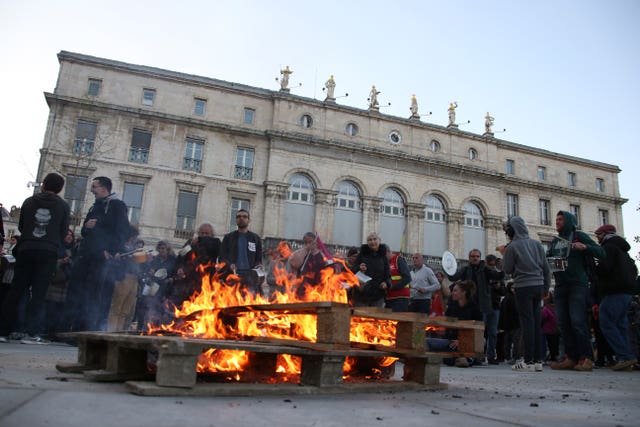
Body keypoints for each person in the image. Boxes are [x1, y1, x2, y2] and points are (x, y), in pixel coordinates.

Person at [0, 173, 70, 343]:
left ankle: (3, 330)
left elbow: (22, 225)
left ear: (44, 185)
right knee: (39, 293)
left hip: (27, 248)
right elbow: (63, 231)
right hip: (48, 252)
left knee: (16, 290)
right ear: (60, 188)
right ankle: (30, 333)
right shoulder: (63, 206)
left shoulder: (29, 202)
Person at [63, 176, 129, 332]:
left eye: (95, 186)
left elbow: (122, 230)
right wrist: (86, 226)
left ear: (104, 188)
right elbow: (86, 231)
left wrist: (111, 251)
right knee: (78, 291)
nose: (92, 190)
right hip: (86, 255)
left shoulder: (116, 206)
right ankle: (72, 326)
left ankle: (88, 328)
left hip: (101, 258)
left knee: (94, 295)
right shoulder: (94, 207)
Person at [547, 210, 604, 372]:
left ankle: (586, 358)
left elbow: (601, 252)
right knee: (563, 323)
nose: (557, 222)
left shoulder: (579, 236)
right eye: (556, 219)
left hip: (578, 284)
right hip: (560, 285)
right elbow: (549, 260)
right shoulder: (555, 241)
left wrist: (585, 247)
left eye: (560, 219)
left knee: (578, 321)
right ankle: (571, 358)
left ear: (569, 221)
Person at [499, 216, 551, 372]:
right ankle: (537, 361)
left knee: (526, 323)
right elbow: (546, 269)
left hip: (523, 287)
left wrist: (504, 254)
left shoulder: (513, 246)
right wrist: (546, 288)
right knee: (536, 323)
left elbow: (507, 270)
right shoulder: (536, 244)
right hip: (539, 285)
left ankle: (527, 361)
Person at [447, 248, 504, 364]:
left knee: (490, 332)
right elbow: (453, 277)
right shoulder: (465, 269)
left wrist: (502, 268)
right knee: (474, 331)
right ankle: (476, 356)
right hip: (470, 305)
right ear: (469, 258)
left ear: (480, 257)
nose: (475, 258)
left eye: (477, 256)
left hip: (484, 305)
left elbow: (498, 276)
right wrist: (448, 267)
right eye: (473, 256)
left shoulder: (485, 270)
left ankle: (490, 356)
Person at [593, 224, 638, 371]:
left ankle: (625, 356)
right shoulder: (623, 251)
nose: (597, 238)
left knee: (606, 322)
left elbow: (604, 268)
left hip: (614, 291)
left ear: (605, 234)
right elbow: (634, 270)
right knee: (620, 325)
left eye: (598, 234)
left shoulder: (608, 247)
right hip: (626, 292)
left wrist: (594, 266)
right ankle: (626, 358)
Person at [426, 280, 483, 367]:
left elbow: (478, 331)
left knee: (482, 341)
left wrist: (462, 341)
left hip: (467, 342)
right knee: (427, 341)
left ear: (464, 292)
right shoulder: (452, 307)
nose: (452, 293)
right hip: (450, 342)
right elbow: (447, 325)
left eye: (455, 290)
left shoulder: (475, 308)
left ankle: (466, 359)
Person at [170, 222, 221, 306]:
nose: (204, 235)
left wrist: (200, 239)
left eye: (207, 233)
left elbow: (213, 245)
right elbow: (181, 256)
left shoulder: (215, 242)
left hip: (207, 279)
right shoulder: (191, 243)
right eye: (202, 233)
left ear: (212, 234)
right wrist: (179, 268)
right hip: (191, 280)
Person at [107, 225, 142, 332]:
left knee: (126, 310)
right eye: (133, 236)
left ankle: (119, 331)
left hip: (134, 279)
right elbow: (115, 259)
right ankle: (112, 331)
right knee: (117, 307)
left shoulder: (132, 248)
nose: (134, 239)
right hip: (124, 277)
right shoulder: (120, 245)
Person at [220, 209, 263, 295]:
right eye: (238, 217)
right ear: (236, 220)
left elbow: (258, 258)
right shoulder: (228, 238)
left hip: (250, 276)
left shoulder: (255, 238)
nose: (241, 218)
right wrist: (229, 264)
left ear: (249, 220)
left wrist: (259, 264)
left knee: (249, 302)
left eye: (244, 216)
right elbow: (222, 257)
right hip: (233, 275)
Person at [350, 232, 391, 307]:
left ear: (379, 240)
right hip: (362, 294)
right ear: (367, 242)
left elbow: (388, 275)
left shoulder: (383, 257)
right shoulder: (362, 255)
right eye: (370, 240)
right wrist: (359, 267)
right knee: (359, 317)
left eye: (374, 239)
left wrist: (386, 283)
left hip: (378, 295)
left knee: (376, 317)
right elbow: (352, 270)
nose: (372, 242)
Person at [384, 247, 411, 312]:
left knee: (398, 320)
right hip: (389, 298)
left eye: (383, 255)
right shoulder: (386, 263)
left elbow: (407, 278)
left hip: (400, 298)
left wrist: (392, 287)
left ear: (388, 252)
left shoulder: (398, 260)